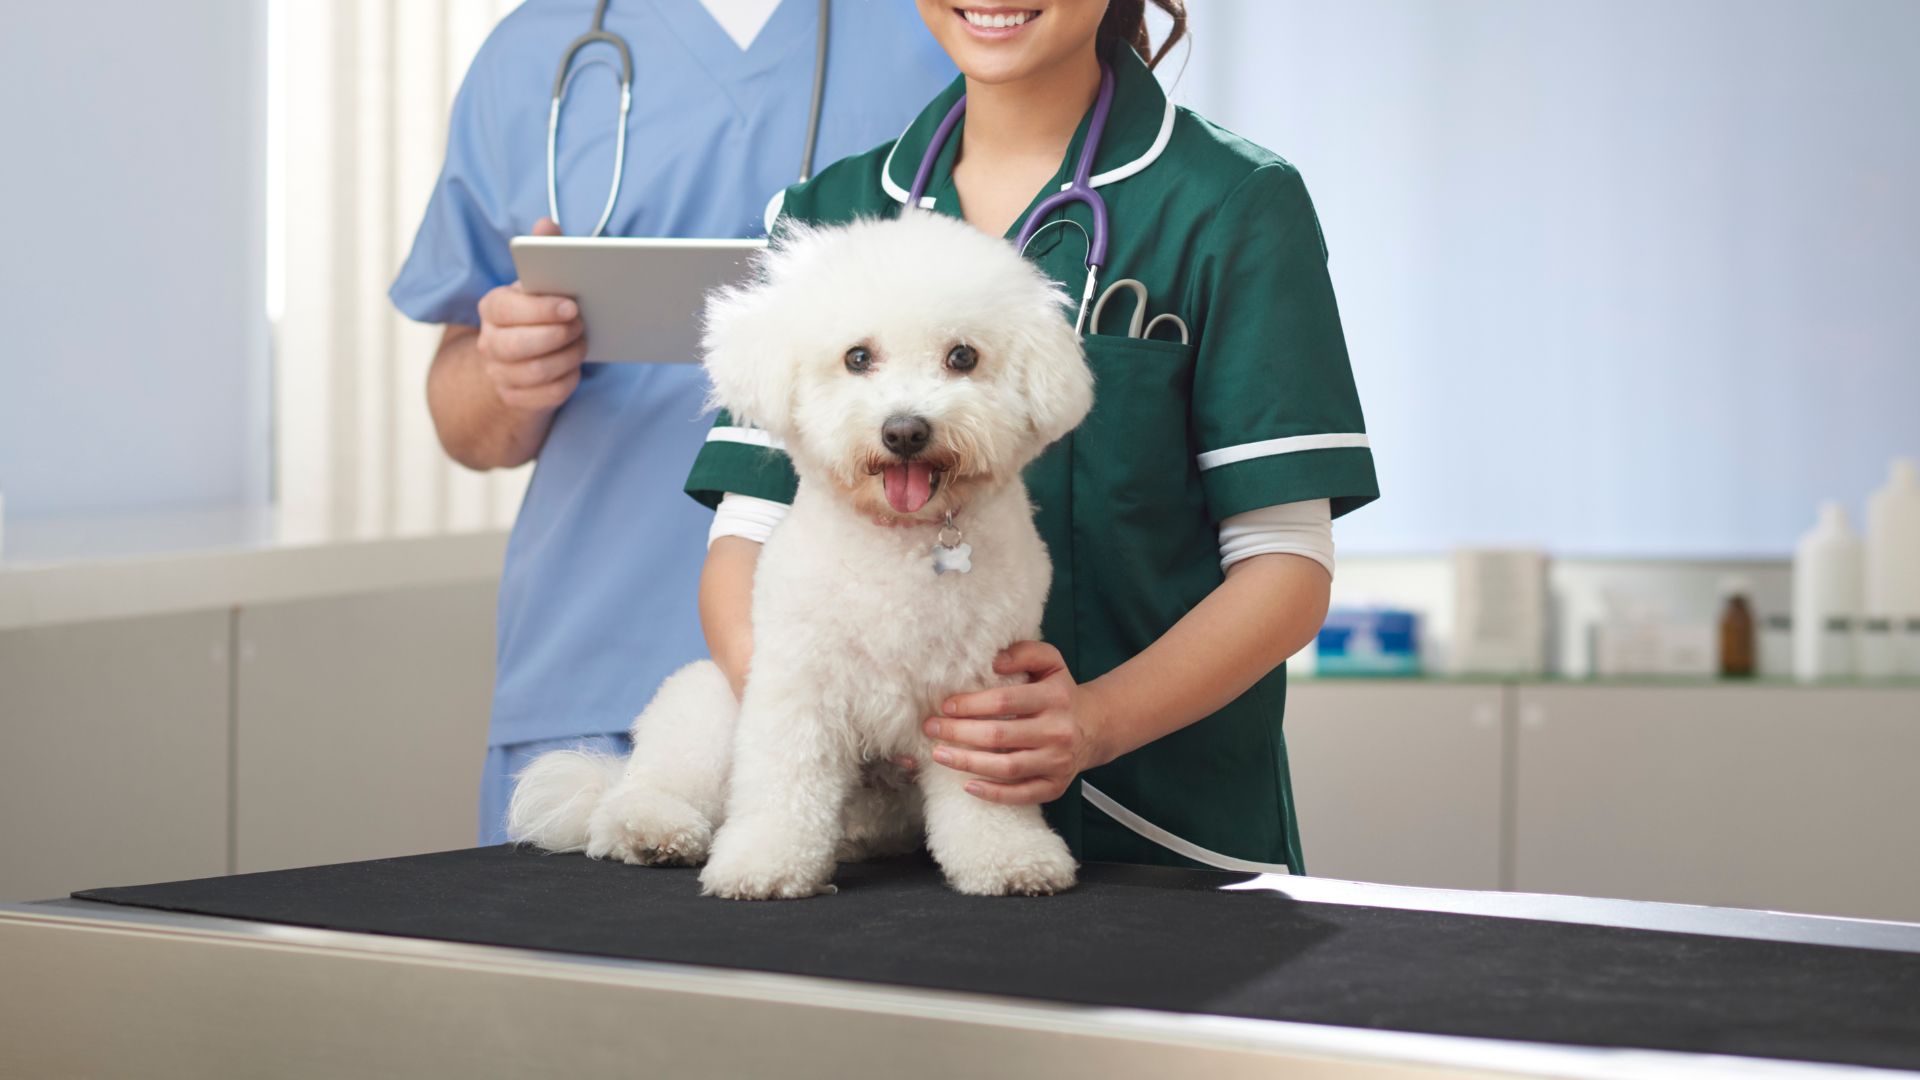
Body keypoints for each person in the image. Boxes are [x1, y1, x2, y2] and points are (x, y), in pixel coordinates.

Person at [688, 0, 1377, 873]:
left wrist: (1093, 723)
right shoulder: (829, 213)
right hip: (876, 857)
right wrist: (821, 736)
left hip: (1163, 840)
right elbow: (743, 538)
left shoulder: (1232, 203)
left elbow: (1285, 567)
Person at [389, 0, 954, 843]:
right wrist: (507, 372)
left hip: (871, 692)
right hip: (588, 670)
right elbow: (465, 425)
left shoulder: (950, 31)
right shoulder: (533, 55)